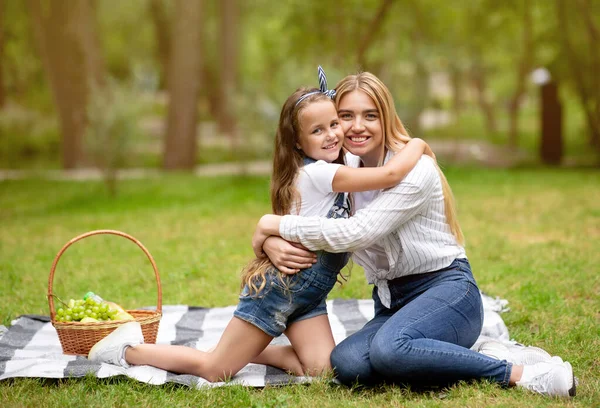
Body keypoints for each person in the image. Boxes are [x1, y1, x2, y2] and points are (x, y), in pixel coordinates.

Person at [88, 69, 433, 382]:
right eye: (317, 130)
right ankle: (127, 349)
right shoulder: (318, 173)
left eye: (333, 124)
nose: (331, 135)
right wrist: (417, 143)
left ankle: (252, 349)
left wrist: (265, 232)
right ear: (299, 143)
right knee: (214, 370)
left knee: (323, 371)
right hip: (276, 290)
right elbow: (387, 174)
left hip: (309, 296)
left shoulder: (337, 167)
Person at [251, 72, 576, 397]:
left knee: (389, 351)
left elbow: (355, 233)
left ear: (386, 118)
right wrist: (266, 239)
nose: (356, 126)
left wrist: (272, 225)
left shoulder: (415, 170)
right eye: (346, 116)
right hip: (391, 302)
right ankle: (459, 355)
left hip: (448, 291)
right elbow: (307, 212)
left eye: (370, 115)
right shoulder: (345, 168)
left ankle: (522, 373)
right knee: (348, 363)